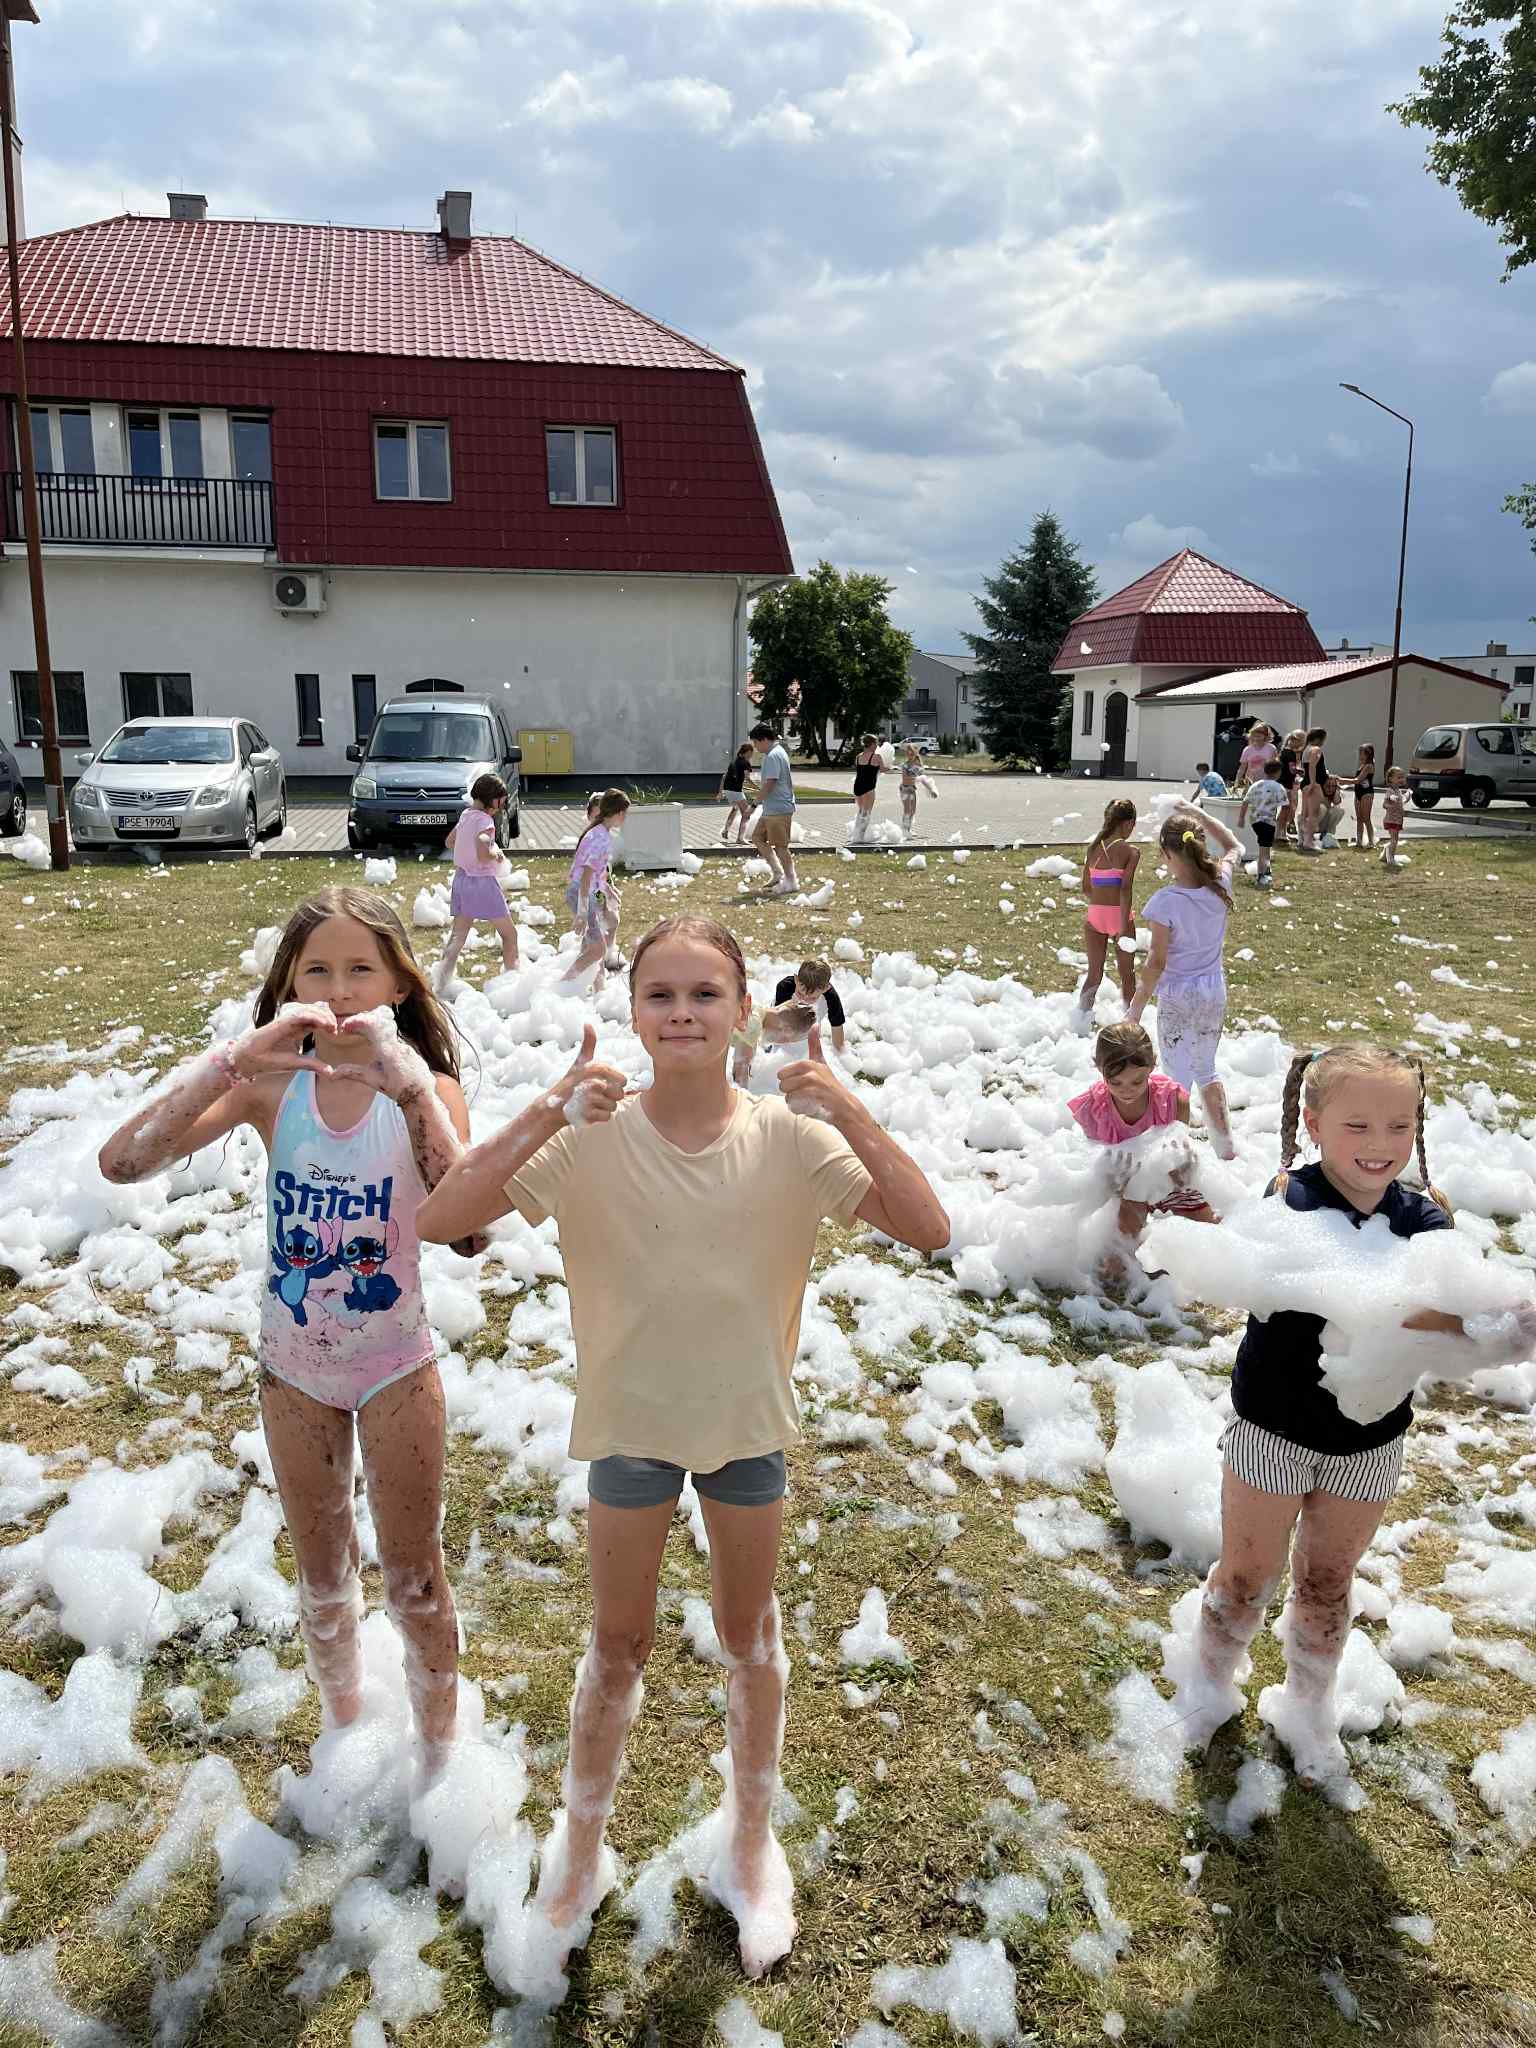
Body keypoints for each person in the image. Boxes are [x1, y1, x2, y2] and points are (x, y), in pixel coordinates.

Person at [416, 915, 949, 1983]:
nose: (683, 1013)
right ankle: (577, 1848)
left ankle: (751, 1848)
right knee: (617, 1646)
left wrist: (844, 1100)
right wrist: (544, 1109)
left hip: (746, 1430)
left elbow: (926, 1226)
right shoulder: (592, 1131)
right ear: (632, 1013)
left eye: (706, 994)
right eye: (660, 994)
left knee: (750, 1638)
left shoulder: (790, 1133)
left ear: (745, 1009)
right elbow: (443, 1216)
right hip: (631, 1432)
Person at [98, 888, 474, 1781]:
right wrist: (232, 1059)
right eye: (317, 970)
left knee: (415, 1581)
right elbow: (123, 1161)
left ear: (397, 984)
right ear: (287, 984)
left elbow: (466, 1226)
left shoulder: (431, 1088)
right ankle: (345, 1730)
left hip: (394, 1366)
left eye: (360, 970)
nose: (340, 991)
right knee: (322, 1575)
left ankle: (438, 1761)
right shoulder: (271, 1087)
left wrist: (410, 1086)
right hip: (294, 1370)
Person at [1168, 1043, 1531, 1784]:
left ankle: (1309, 1704)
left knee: (1330, 1580)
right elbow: (1239, 1276)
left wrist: (1501, 1323)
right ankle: (1207, 1687)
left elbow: (1462, 1326)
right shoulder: (1287, 1206)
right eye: (1358, 1126)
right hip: (1272, 1425)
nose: (1380, 1146)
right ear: (1313, 1122)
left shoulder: (1425, 1223)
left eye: (1399, 1127)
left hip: (1369, 1441)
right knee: (1245, 1573)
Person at [1126, 805, 1244, 1160]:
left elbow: (1156, 962)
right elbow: (1235, 846)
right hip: (1212, 991)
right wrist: (1200, 814)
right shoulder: (1220, 882)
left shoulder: (1166, 902)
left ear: (1165, 854)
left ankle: (1177, 1158)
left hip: (1178, 996)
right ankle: (1226, 1150)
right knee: (1206, 1069)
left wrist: (1135, 1008)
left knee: (1176, 1078)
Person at [1068, 1021, 1215, 1245]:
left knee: (1209, 1234)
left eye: (1137, 1081)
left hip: (1170, 1177)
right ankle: (1127, 1268)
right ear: (1099, 1069)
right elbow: (1097, 1160)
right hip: (1125, 1185)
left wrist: (1180, 1171)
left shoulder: (1172, 1099)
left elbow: (1181, 1150)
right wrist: (1116, 1184)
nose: (1126, 1090)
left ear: (1152, 1066)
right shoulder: (1093, 1108)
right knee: (1116, 1259)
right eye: (1115, 1082)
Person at [435, 773, 519, 992]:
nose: (501, 808)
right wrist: (495, 854)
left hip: (462, 880)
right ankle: (513, 983)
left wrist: (467, 851)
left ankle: (441, 983)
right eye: (500, 802)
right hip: (482, 883)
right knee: (510, 935)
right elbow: (483, 848)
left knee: (458, 937)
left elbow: (449, 841)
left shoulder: (466, 815)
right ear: (493, 799)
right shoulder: (485, 820)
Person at [1073, 797, 1140, 1027]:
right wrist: (1122, 925)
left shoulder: (1094, 848)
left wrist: (1099, 904)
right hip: (1119, 917)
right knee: (1127, 975)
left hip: (1095, 916)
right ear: (1129, 823)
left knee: (1094, 975)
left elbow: (1086, 887)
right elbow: (1125, 888)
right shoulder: (1130, 851)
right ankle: (1131, 1024)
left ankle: (1080, 1020)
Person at [563, 789, 629, 988]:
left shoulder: (600, 832)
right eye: (624, 813)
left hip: (590, 893)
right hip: (582, 893)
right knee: (598, 949)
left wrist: (607, 893)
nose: (625, 818)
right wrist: (582, 912)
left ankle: (598, 988)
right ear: (617, 813)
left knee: (594, 942)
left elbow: (596, 877)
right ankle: (562, 985)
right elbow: (585, 877)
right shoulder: (600, 838)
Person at [749, 722, 800, 896]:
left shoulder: (772, 756)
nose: (755, 747)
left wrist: (754, 804)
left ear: (764, 740)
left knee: (780, 846)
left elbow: (771, 783)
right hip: (772, 808)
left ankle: (791, 880)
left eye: (756, 743)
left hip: (778, 809)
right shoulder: (776, 753)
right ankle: (778, 872)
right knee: (757, 837)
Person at [771, 959, 847, 1056]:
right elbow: (778, 1023)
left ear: (825, 989)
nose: (805, 1000)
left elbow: (837, 1027)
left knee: (810, 1043)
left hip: (812, 1024)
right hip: (782, 1018)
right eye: (800, 994)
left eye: (812, 998)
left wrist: (841, 1055)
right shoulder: (785, 987)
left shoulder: (831, 998)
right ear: (796, 980)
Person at [1237, 758, 1285, 888]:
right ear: (1278, 772)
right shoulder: (1278, 787)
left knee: (1265, 847)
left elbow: (1245, 801)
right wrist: (1282, 823)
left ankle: (1266, 870)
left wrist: (1241, 818)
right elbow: (1286, 806)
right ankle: (1261, 875)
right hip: (1268, 822)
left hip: (1255, 821)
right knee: (1264, 850)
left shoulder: (1256, 785)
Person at [897, 743, 939, 839]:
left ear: (915, 753)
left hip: (912, 790)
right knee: (907, 810)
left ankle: (909, 829)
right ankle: (904, 830)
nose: (910, 754)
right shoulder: (905, 766)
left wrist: (931, 790)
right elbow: (905, 779)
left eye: (912, 753)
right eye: (908, 753)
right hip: (905, 789)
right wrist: (917, 779)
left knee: (913, 811)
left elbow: (924, 780)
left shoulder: (918, 767)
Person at [1297, 728, 1329, 853]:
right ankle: (1308, 841)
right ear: (1319, 738)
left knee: (1305, 813)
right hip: (1312, 784)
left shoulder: (1307, 748)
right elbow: (1312, 766)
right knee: (1313, 814)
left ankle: (1303, 839)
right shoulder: (1315, 749)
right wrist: (1313, 783)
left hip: (1306, 783)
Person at [718, 743, 757, 845]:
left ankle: (725, 830)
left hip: (728, 790)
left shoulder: (734, 761)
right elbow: (747, 778)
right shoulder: (745, 763)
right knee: (746, 814)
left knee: (735, 808)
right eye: (751, 753)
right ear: (747, 752)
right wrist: (758, 788)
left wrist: (720, 792)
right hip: (736, 791)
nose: (751, 755)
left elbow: (724, 776)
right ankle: (740, 838)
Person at [849, 734, 882, 844]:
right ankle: (860, 837)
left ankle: (856, 834)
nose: (877, 745)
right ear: (872, 744)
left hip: (858, 787)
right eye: (876, 743)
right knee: (866, 812)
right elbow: (883, 769)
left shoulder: (858, 757)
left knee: (860, 811)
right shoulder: (876, 757)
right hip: (869, 787)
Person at [1276, 728, 1305, 844]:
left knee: (1284, 808)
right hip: (1286, 784)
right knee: (1286, 808)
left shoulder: (1283, 751)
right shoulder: (1291, 753)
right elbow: (1292, 770)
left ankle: (1280, 831)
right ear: (1295, 741)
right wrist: (1300, 771)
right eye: (1302, 743)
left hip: (1280, 782)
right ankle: (1280, 832)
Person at [1235, 723, 1277, 792]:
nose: (1257, 735)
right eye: (1255, 732)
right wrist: (1236, 782)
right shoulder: (1247, 750)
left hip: (1266, 782)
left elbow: (1275, 767)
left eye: (1261, 732)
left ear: (1266, 735)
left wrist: (1273, 782)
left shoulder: (1271, 748)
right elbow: (1242, 768)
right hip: (1251, 783)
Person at [1380, 766, 1407, 870]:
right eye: (1399, 777)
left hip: (1397, 819)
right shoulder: (1390, 791)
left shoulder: (1398, 791)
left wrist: (1406, 797)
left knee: (1394, 839)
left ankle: (1384, 856)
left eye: (1402, 777)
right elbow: (1385, 804)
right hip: (1391, 820)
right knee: (1394, 840)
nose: (1401, 779)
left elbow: (1400, 802)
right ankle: (1390, 859)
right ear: (1391, 779)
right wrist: (1391, 801)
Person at [1351, 744, 1376, 851]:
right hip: (1358, 793)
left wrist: (1340, 779)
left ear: (1368, 754)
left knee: (1366, 818)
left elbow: (1358, 780)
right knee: (1359, 819)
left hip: (1366, 793)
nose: (1360, 756)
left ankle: (1371, 841)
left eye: (1362, 753)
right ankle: (1359, 841)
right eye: (1360, 753)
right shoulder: (1361, 765)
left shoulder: (1369, 766)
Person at [1317, 772, 1345, 851]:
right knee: (1322, 808)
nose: (1330, 789)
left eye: (1333, 786)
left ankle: (1327, 836)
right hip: (1313, 821)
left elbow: (1337, 802)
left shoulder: (1333, 792)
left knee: (1338, 810)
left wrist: (1336, 790)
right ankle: (1309, 836)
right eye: (1328, 786)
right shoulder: (1318, 792)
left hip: (1323, 823)